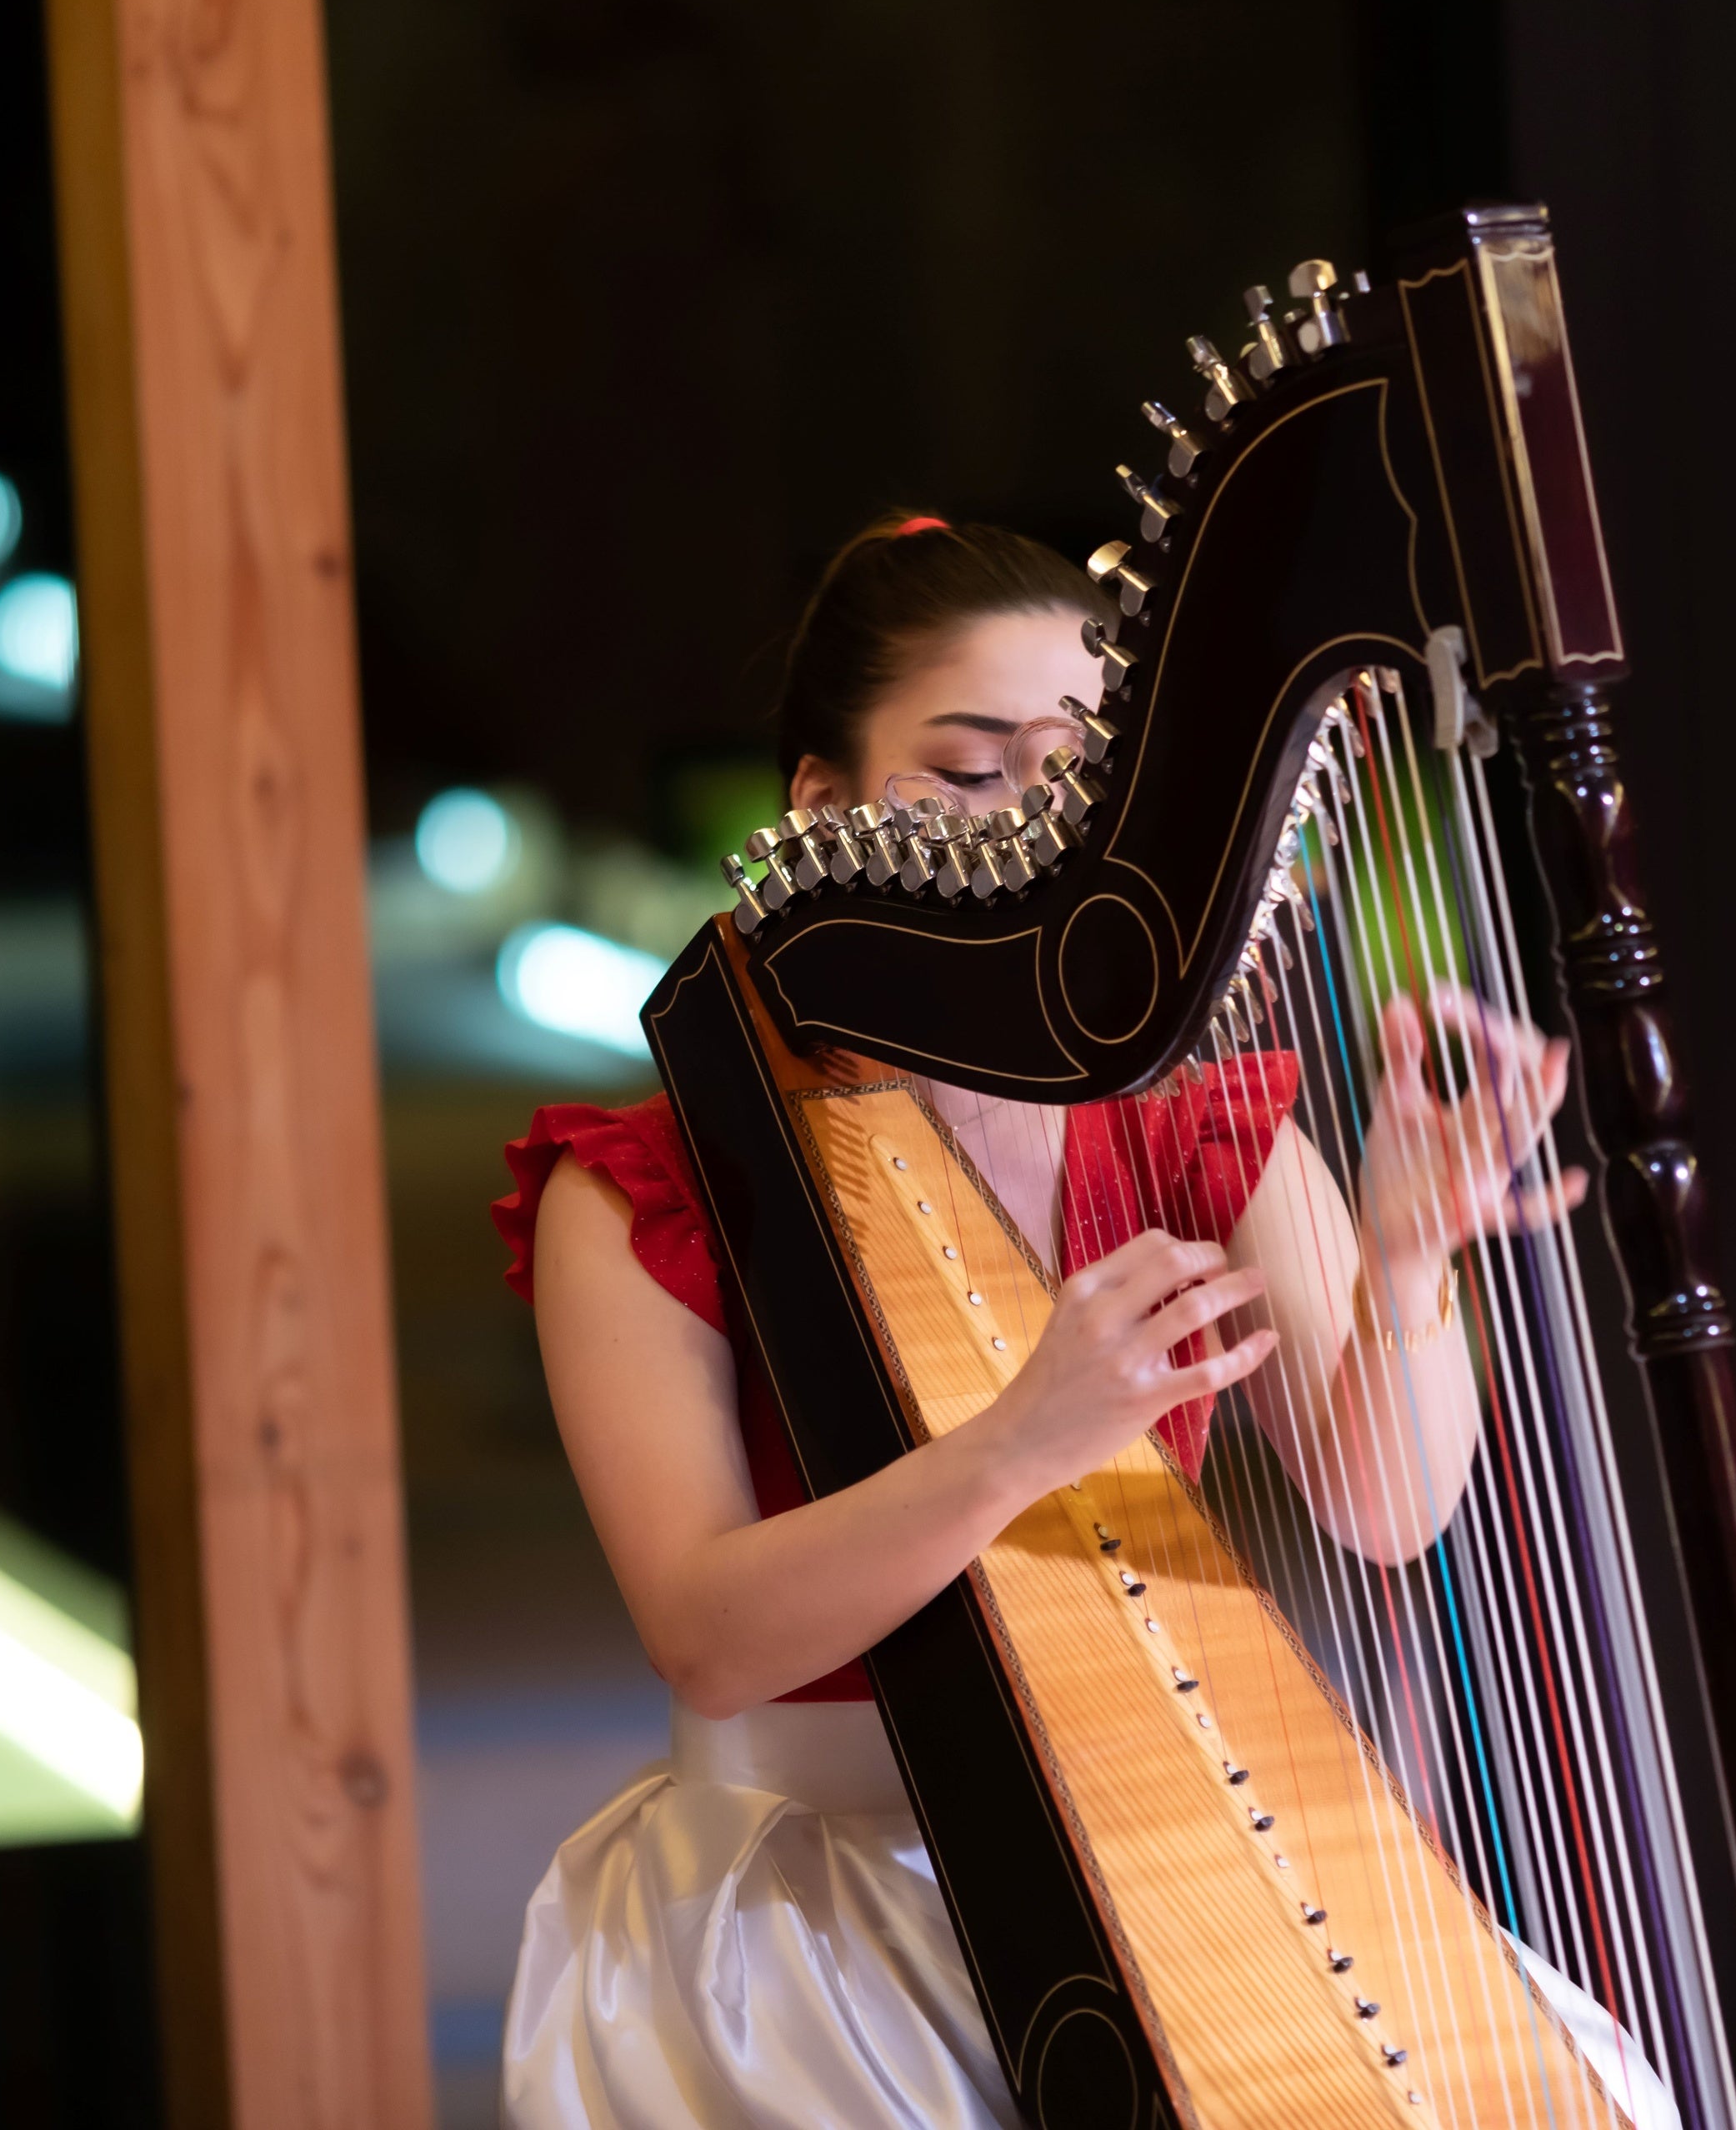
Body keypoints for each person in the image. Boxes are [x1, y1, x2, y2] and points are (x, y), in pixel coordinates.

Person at [488, 514, 1586, 2130]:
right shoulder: (644, 1185)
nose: (1027, 826)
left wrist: (1407, 1256)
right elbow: (708, 1635)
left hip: (1152, 1838)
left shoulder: (1187, 1123)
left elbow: (1385, 1503)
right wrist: (1021, 1439)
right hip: (809, 1915)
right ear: (819, 807)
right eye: (966, 769)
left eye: (1073, 775)